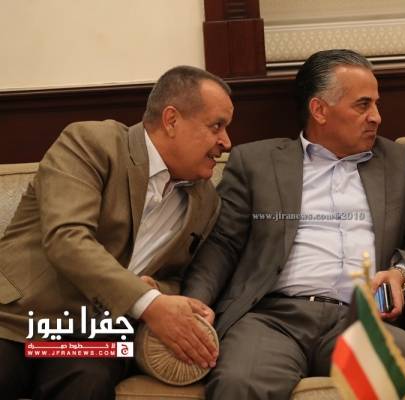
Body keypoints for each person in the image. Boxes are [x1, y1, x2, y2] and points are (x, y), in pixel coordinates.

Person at [184, 49, 405, 398]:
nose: (376, 117)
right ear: (319, 110)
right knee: (238, 382)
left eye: (376, 104)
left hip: (359, 317)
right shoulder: (256, 162)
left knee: (402, 359)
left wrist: (400, 273)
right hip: (272, 317)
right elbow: (222, 244)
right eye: (363, 105)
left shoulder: (395, 161)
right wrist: (194, 305)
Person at [0, 65, 233, 399]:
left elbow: (175, 277)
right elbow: (67, 238)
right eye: (216, 126)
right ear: (171, 120)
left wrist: (165, 296)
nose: (226, 142)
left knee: (88, 381)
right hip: (18, 320)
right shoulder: (92, 143)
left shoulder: (205, 201)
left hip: (97, 334)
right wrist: (149, 303)